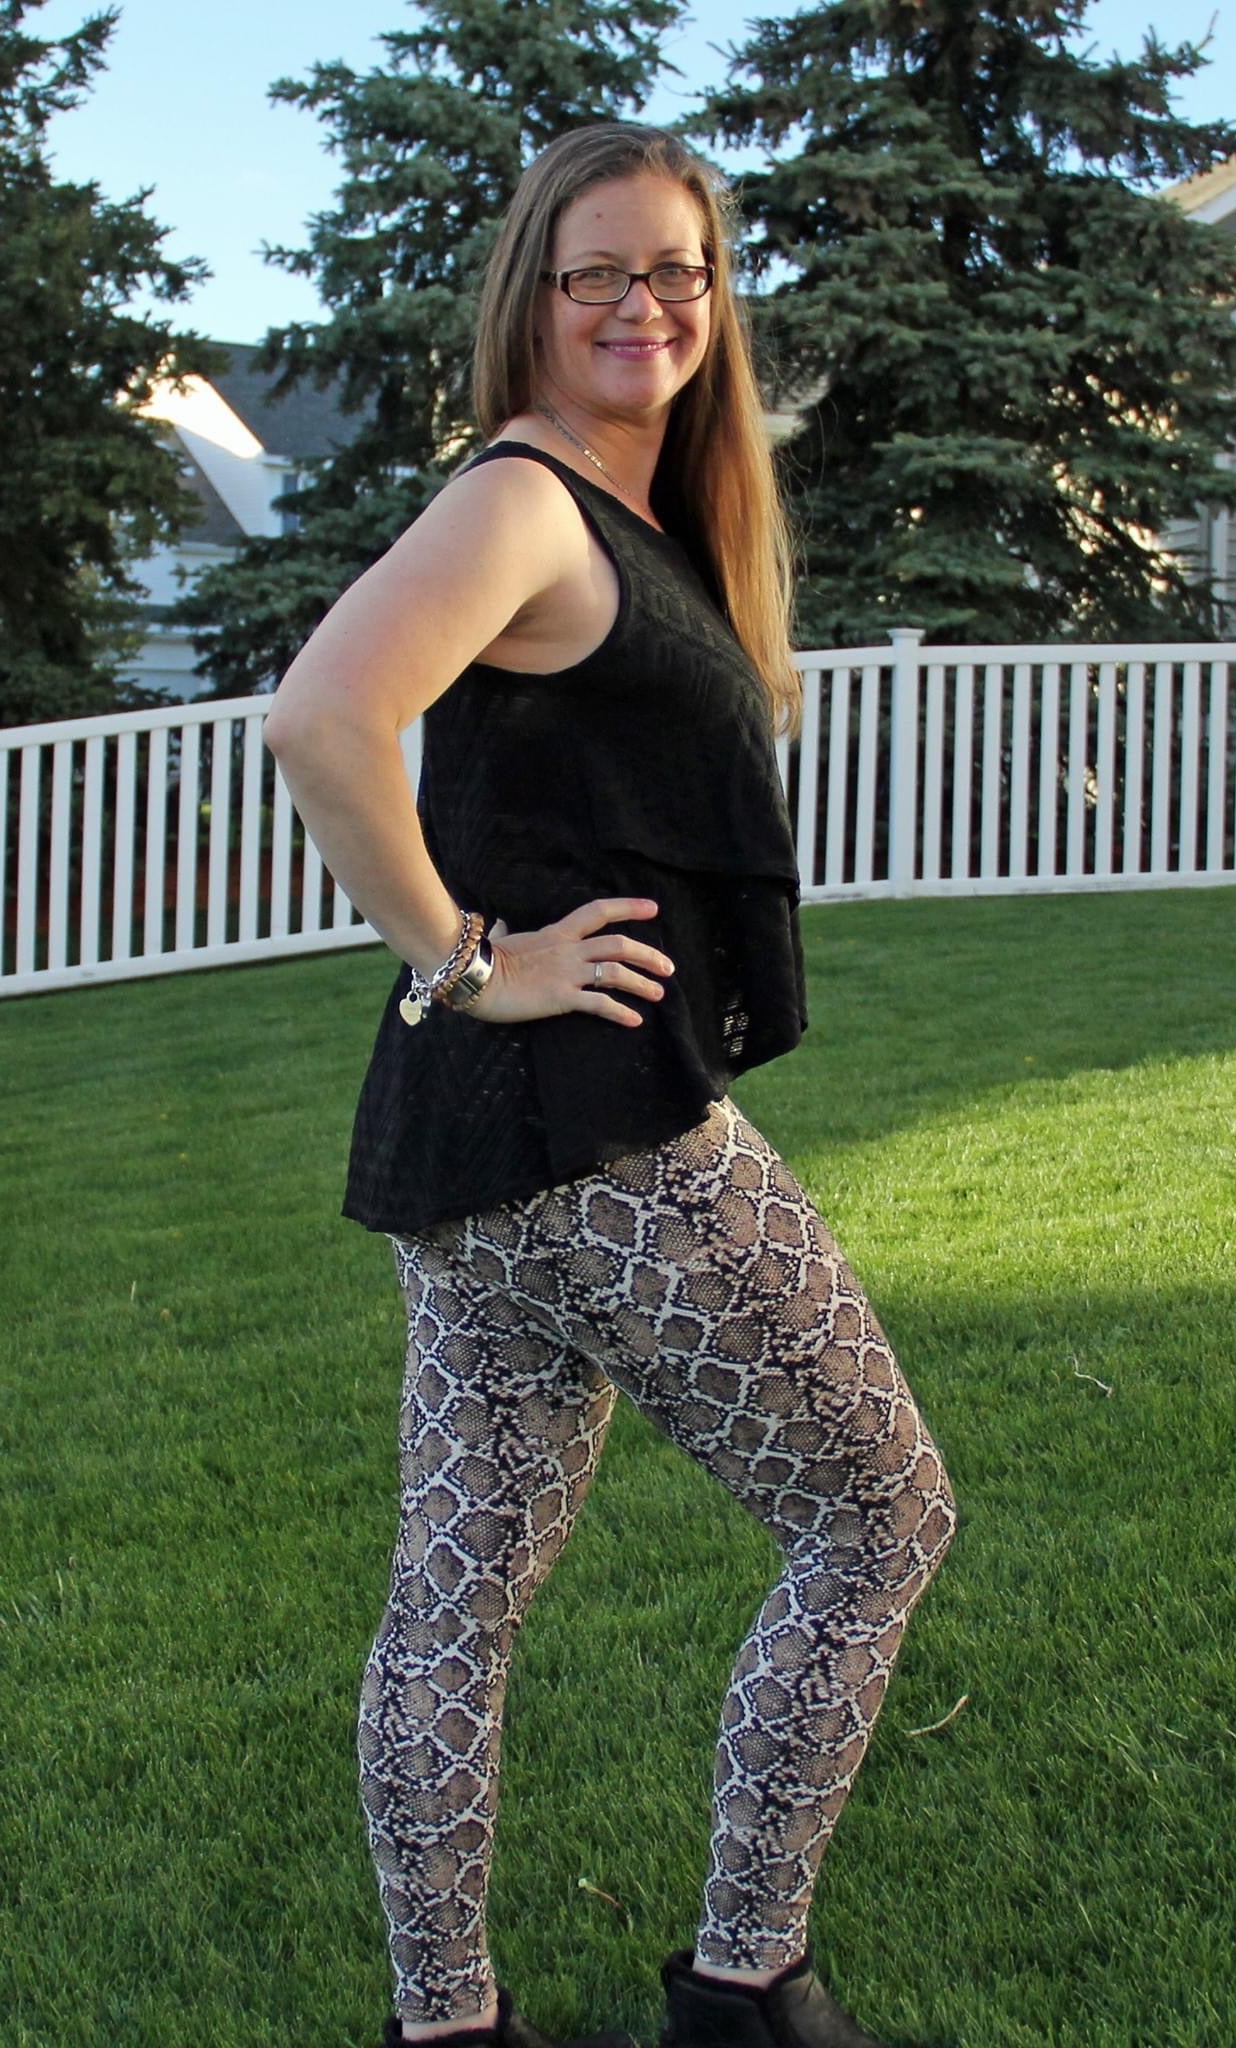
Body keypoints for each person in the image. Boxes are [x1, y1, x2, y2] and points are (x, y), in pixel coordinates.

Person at [263, 121, 957, 2048]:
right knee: (878, 1518)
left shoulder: (628, 513)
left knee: (455, 1602)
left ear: (714, 295)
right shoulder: (526, 500)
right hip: (603, 1146)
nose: (642, 304)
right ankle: (746, 1989)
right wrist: (472, 961)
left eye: (677, 269)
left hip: (475, 1163)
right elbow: (323, 717)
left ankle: (446, 2025)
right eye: (599, 273)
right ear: (536, 297)